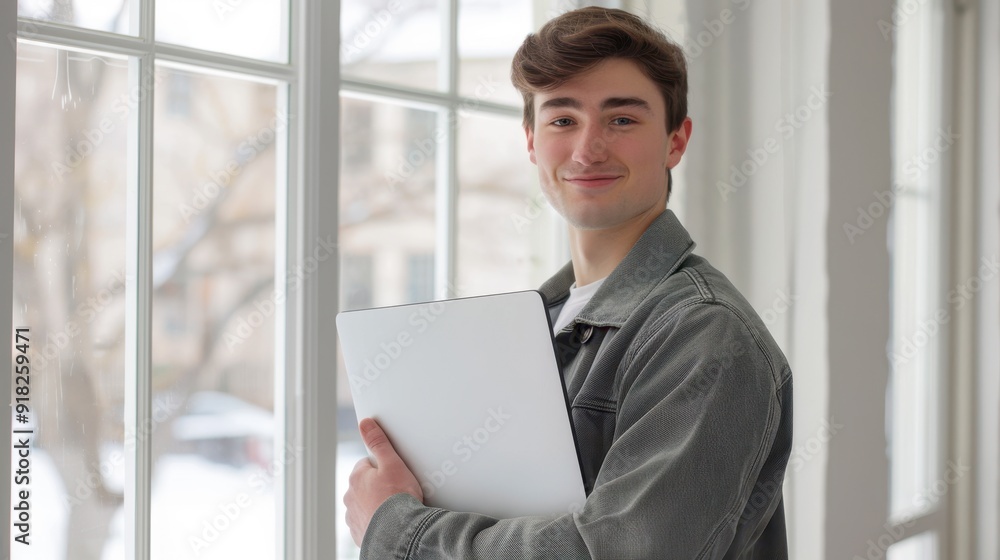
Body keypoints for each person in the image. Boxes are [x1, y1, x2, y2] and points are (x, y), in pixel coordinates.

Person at [344, 7, 793, 559]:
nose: (587, 149)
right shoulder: (539, 322)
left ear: (676, 141)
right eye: (563, 120)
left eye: (622, 120)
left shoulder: (705, 336)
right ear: (532, 141)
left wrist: (395, 531)